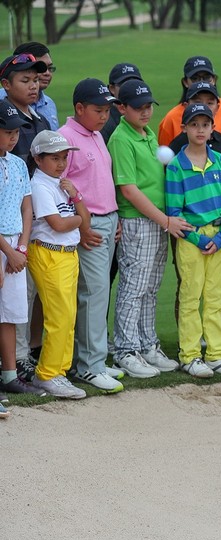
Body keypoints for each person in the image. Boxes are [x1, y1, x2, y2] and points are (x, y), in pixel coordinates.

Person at [109, 79, 193, 378]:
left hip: (156, 220)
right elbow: (129, 190)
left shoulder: (145, 134)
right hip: (138, 221)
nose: (146, 113)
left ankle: (147, 344)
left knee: (151, 287)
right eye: (139, 108)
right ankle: (125, 350)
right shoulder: (121, 138)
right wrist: (166, 220)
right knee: (134, 287)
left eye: (148, 107)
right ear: (122, 107)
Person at [165, 103, 221, 382]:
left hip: (219, 238)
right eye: (194, 124)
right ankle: (189, 355)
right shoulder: (177, 166)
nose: (200, 130)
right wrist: (197, 238)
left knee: (215, 297)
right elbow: (174, 212)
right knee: (191, 296)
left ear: (213, 128)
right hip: (191, 240)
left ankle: (218, 355)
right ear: (184, 128)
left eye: (205, 124)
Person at [59, 78, 125, 393]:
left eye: (106, 110)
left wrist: (115, 216)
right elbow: (60, 188)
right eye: (98, 110)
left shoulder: (96, 134)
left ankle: (93, 359)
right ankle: (89, 366)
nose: (104, 116)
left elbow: (100, 181)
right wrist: (81, 225)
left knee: (99, 293)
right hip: (89, 226)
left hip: (106, 220)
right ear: (80, 108)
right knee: (93, 294)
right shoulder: (65, 138)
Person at [26, 131, 84, 399]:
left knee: (68, 316)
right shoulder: (40, 186)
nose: (61, 163)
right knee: (58, 317)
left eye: (64, 157)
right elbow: (59, 224)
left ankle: (59, 370)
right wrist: (78, 220)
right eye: (54, 158)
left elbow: (86, 218)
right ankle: (47, 374)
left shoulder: (61, 183)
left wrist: (77, 197)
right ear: (38, 159)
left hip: (67, 254)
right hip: (48, 253)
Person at [0, 100, 44, 406]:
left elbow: (27, 207)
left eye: (17, 131)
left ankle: (9, 376)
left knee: (10, 315)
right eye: (7, 131)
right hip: (3, 246)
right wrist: (8, 250)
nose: (14, 137)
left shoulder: (17, 163)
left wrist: (22, 247)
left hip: (16, 245)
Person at [157, 56, 221, 151]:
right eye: (195, 78)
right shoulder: (171, 118)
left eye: (207, 78)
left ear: (214, 80)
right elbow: (166, 157)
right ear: (185, 82)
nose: (201, 82)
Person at [0, 43, 58, 130]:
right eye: (25, 80)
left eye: (50, 68)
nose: (47, 73)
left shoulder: (49, 104)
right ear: (6, 84)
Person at [168, 82, 221, 159]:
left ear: (217, 108)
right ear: (186, 106)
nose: (203, 107)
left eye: (210, 103)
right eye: (197, 102)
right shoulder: (177, 145)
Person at [102, 62, 143, 143]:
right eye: (124, 84)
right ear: (112, 88)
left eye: (135, 83)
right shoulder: (105, 123)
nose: (131, 89)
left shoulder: (141, 117)